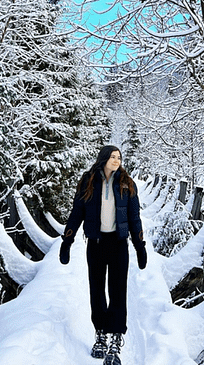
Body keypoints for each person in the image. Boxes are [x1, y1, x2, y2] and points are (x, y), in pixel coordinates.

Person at [58, 145, 147, 365]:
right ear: (104, 158)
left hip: (118, 245)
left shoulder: (127, 184)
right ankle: (100, 333)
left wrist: (139, 246)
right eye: (113, 157)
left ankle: (116, 337)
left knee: (118, 290)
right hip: (95, 245)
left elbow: (134, 217)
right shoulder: (88, 181)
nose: (117, 160)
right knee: (96, 289)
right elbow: (77, 212)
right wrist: (67, 241)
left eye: (119, 157)